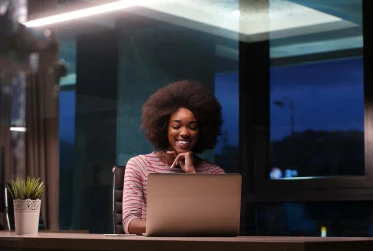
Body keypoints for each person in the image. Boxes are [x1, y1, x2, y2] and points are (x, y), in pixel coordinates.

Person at [122, 80, 225, 234]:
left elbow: (218, 224)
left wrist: (192, 174)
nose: (184, 132)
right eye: (176, 126)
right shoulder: (139, 166)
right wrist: (179, 225)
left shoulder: (214, 174)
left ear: (202, 130)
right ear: (164, 128)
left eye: (192, 127)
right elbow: (130, 223)